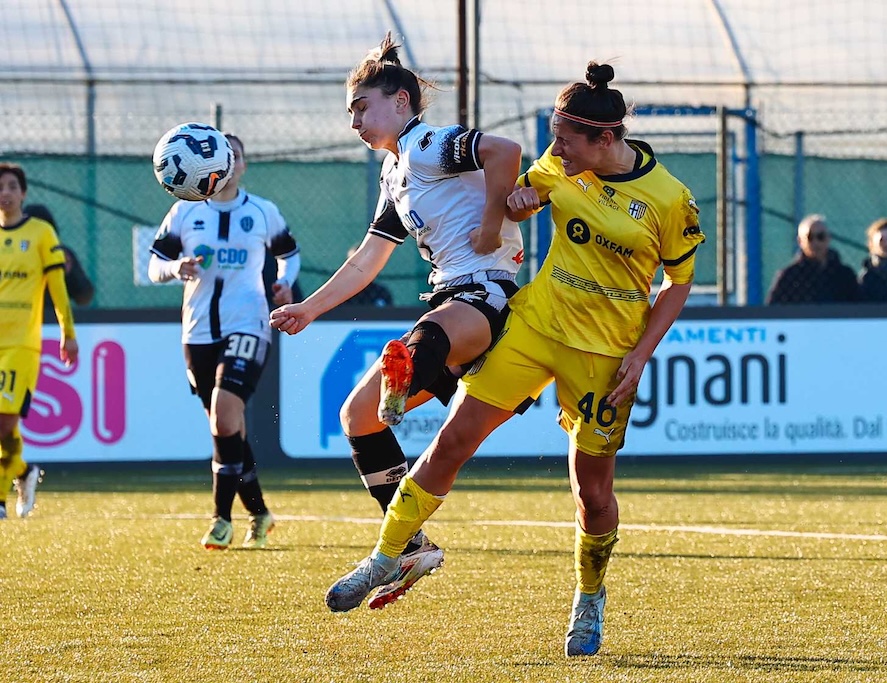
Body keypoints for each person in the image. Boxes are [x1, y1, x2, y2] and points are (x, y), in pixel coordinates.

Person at [320, 62, 705, 658]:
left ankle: (589, 596)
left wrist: (642, 352)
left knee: (592, 494)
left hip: (605, 354)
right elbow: (520, 194)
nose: (555, 149)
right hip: (534, 326)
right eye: (552, 136)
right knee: (451, 441)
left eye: (565, 139)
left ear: (606, 140)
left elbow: (678, 282)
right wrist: (517, 202)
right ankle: (384, 555)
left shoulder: (669, 198)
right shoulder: (560, 165)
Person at [270, 33, 524, 609]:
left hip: (489, 294)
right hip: (449, 300)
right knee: (356, 417)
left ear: (403, 101)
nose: (354, 120)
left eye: (363, 106)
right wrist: (309, 309)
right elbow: (366, 258)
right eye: (351, 111)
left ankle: (406, 369)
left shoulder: (430, 143)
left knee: (425, 340)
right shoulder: (396, 172)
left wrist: (490, 225)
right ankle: (409, 544)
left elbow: (505, 151)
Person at [148, 133, 301, 550]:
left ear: (243, 165)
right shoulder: (183, 211)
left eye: (235, 155)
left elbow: (290, 253)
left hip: (249, 324)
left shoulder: (263, 212)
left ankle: (221, 520)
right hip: (197, 331)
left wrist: (284, 282)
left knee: (223, 414)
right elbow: (154, 265)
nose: (229, 161)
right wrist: (176, 268)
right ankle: (260, 514)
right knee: (226, 427)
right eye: (223, 154)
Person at [0, 163, 79, 519]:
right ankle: (23, 471)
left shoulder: (41, 233)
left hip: (21, 344)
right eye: (0, 187)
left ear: (24, 193)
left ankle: (0, 501)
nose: (5, 193)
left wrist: (68, 334)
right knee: (4, 430)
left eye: (12, 186)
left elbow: (58, 290)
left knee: (2, 423)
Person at [766, 214, 859, 304]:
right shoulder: (790, 276)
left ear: (828, 238)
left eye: (820, 236)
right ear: (800, 241)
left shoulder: (845, 275)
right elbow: (773, 310)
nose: (816, 242)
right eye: (810, 237)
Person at [23, 205, 95, 307]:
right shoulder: (11, 252)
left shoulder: (61, 254)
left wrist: (69, 274)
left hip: (53, 317)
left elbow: (83, 297)